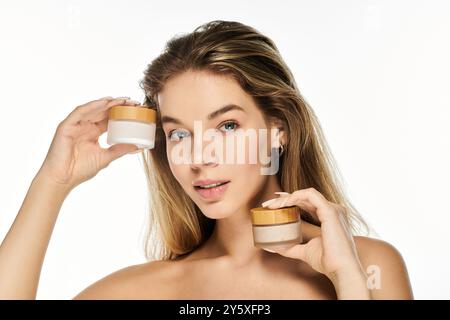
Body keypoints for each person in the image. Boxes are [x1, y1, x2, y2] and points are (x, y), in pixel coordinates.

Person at [0, 20, 413, 299]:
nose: (199, 157)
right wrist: (53, 183)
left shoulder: (368, 265)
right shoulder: (146, 290)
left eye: (227, 126)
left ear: (278, 129)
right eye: (179, 133)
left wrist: (347, 280)